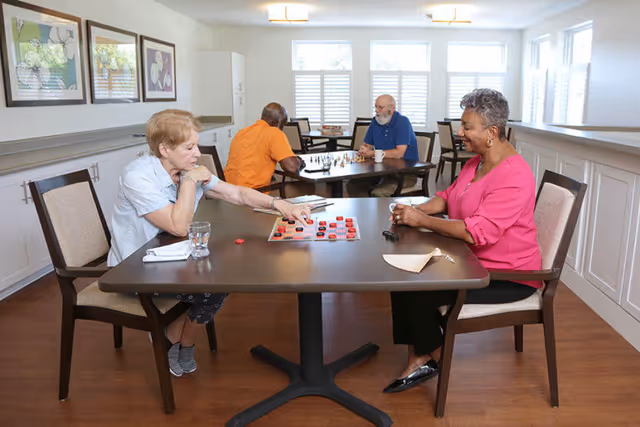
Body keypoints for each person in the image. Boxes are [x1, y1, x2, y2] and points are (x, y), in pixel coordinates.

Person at [107, 109, 311, 377]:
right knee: (214, 281)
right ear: (164, 149)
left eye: (197, 145)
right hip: (137, 268)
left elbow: (237, 194)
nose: (196, 153)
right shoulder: (138, 176)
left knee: (225, 274)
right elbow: (177, 225)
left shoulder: (187, 168)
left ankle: (182, 336)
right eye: (190, 147)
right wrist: (190, 181)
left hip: (174, 255)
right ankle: (176, 337)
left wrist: (280, 205)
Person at [384, 89, 542, 393]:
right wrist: (415, 210)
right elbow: (447, 197)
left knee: (418, 291)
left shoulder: (514, 176)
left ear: (492, 132)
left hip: (506, 275)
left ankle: (439, 360)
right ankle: (421, 357)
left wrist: (423, 222)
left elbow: (476, 233)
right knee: (402, 275)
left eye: (467, 127)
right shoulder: (477, 162)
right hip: (469, 261)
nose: (460, 133)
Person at [347, 95, 420, 197]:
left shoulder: (403, 122)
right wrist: (364, 150)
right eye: (376, 107)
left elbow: (399, 153)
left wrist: (372, 153)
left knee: (378, 193)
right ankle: (364, 213)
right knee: (353, 185)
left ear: (392, 108)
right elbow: (367, 145)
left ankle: (382, 213)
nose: (377, 110)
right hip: (382, 171)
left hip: (404, 174)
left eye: (380, 107)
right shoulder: (375, 121)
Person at [224, 102, 306, 191]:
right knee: (302, 189)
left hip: (228, 191)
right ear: (275, 123)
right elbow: (292, 167)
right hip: (251, 194)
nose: (283, 128)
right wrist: (299, 161)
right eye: (283, 124)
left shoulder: (241, 132)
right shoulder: (274, 133)